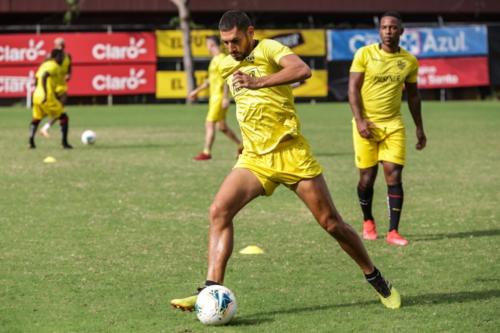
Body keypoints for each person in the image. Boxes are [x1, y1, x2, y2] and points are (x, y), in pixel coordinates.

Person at [171, 10, 401, 312]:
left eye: (236, 41)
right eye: (226, 42)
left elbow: (302, 70)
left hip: (292, 155)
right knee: (219, 211)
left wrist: (259, 82)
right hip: (255, 158)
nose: (231, 48)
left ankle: (376, 278)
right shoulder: (227, 64)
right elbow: (247, 108)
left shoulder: (269, 49)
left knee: (332, 224)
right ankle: (210, 291)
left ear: (250, 33)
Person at [348, 11, 427, 246]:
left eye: (393, 27)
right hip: (367, 124)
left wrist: (419, 128)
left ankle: (394, 231)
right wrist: (360, 120)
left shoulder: (409, 61)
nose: (388, 31)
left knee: (393, 173)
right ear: (379, 31)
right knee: (367, 178)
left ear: (401, 31)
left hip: (393, 124)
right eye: (384, 27)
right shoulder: (364, 54)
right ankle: (368, 221)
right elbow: (353, 89)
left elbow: (413, 96)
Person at [189, 35, 243, 161]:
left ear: (211, 44)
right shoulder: (214, 60)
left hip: (218, 98)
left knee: (209, 123)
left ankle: (206, 152)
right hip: (214, 98)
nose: (207, 47)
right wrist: (196, 91)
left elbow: (227, 78)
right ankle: (241, 145)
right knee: (222, 127)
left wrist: (225, 97)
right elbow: (209, 81)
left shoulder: (222, 59)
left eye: (207, 44)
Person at [29, 48, 73, 149]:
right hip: (46, 96)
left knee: (37, 118)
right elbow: (44, 76)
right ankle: (64, 143)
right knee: (63, 117)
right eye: (61, 56)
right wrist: (45, 92)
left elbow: (37, 79)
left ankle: (31, 142)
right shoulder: (54, 66)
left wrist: (38, 91)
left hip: (36, 96)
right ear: (56, 57)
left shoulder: (44, 64)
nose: (62, 58)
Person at [40, 37, 72, 138]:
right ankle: (41, 125)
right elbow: (43, 69)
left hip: (61, 86)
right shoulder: (50, 57)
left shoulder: (68, 56)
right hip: (52, 85)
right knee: (49, 109)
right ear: (55, 46)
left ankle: (46, 128)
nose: (61, 46)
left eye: (62, 44)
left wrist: (68, 75)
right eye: (59, 45)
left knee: (61, 108)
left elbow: (69, 69)